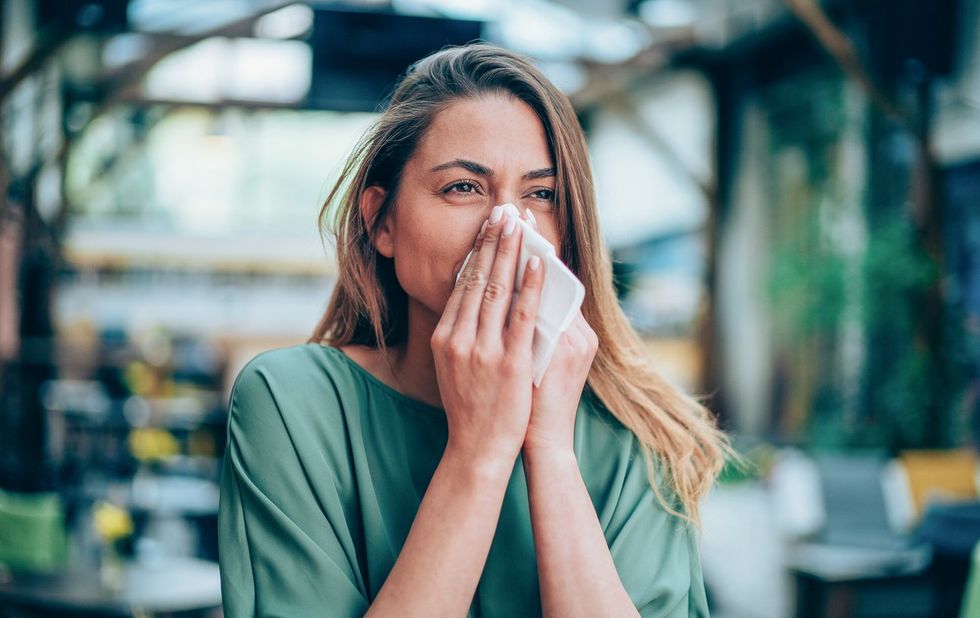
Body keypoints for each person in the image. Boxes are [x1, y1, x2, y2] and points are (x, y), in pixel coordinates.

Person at [218, 42, 736, 617]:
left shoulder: (633, 431)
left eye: (541, 194)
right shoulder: (291, 402)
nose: (508, 226)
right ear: (381, 221)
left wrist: (550, 450)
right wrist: (478, 451)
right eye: (463, 187)